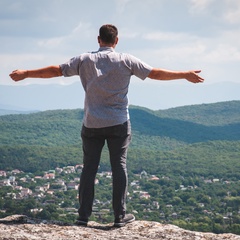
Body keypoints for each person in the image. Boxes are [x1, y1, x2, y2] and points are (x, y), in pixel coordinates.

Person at [9, 24, 204, 227]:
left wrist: (26, 73)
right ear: (116, 41)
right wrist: (184, 74)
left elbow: (56, 70)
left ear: (98, 39)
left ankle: (83, 217)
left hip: (92, 123)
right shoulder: (126, 60)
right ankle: (120, 216)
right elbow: (154, 73)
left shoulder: (84, 59)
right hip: (119, 123)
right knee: (119, 166)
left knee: (89, 169)